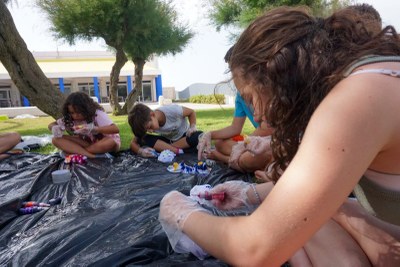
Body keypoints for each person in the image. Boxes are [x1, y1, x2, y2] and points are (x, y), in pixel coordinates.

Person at [159, 6, 400, 266]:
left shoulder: (354, 102)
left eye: (252, 98)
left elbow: (253, 249)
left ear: (274, 75)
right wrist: (250, 193)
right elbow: (316, 196)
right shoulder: (369, 77)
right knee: (308, 216)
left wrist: (180, 211)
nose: (259, 116)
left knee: (294, 224)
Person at [198, 47, 274, 173]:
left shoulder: (267, 89)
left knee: (250, 158)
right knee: (219, 143)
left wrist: (244, 145)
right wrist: (210, 134)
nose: (232, 78)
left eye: (232, 70)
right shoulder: (240, 96)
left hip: (272, 141)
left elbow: (268, 128)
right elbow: (235, 127)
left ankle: (225, 158)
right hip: (261, 140)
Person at [48, 92, 120, 158]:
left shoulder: (97, 114)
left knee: (110, 141)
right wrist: (54, 127)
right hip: (86, 143)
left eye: (79, 112)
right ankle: (91, 156)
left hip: (103, 143)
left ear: (86, 109)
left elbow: (115, 129)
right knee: (56, 139)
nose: (75, 116)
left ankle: (76, 152)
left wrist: (95, 129)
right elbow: (52, 124)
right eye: (72, 113)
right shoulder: (70, 118)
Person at [128, 103, 203, 157]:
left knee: (199, 136)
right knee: (143, 138)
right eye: (147, 130)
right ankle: (176, 150)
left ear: (152, 115)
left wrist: (192, 127)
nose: (150, 131)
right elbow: (133, 143)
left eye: (150, 127)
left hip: (184, 138)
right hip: (168, 141)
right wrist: (141, 152)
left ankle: (168, 149)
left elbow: (191, 112)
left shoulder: (173, 110)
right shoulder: (148, 122)